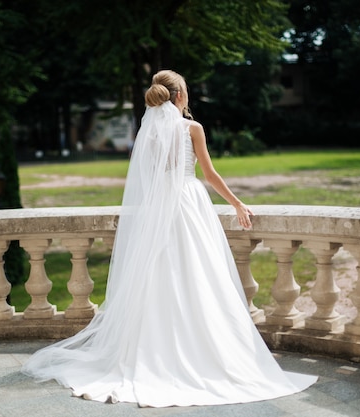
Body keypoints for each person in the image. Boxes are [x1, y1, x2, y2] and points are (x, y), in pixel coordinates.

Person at [21, 70, 317, 407]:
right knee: (198, 274)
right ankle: (202, 353)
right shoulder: (192, 128)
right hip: (189, 205)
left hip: (158, 208)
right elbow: (209, 174)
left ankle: (153, 352)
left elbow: (146, 176)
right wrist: (237, 203)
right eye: (187, 91)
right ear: (179, 96)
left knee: (159, 277)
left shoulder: (149, 132)